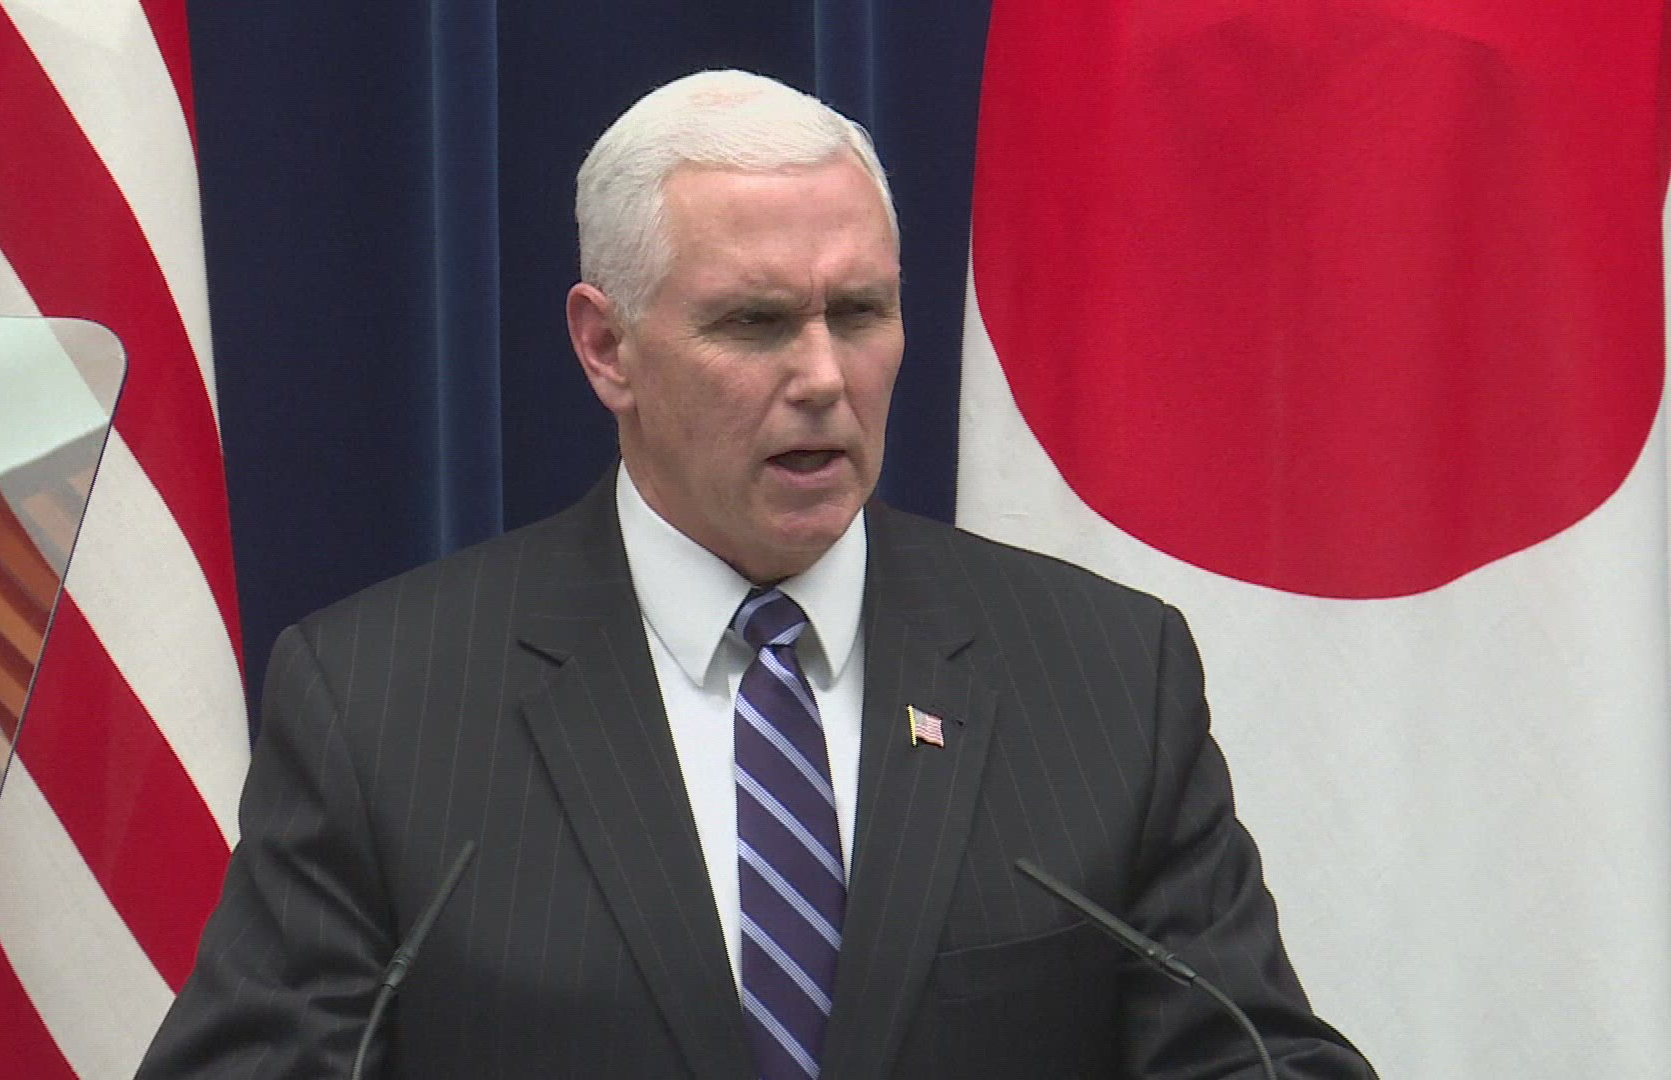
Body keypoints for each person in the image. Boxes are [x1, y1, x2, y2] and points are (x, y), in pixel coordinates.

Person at [138, 70, 1368, 1079]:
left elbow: (1252, 1056)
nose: (825, 377)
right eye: (756, 323)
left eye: (862, 312)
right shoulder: (384, 703)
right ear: (607, 347)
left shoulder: (1102, 674)